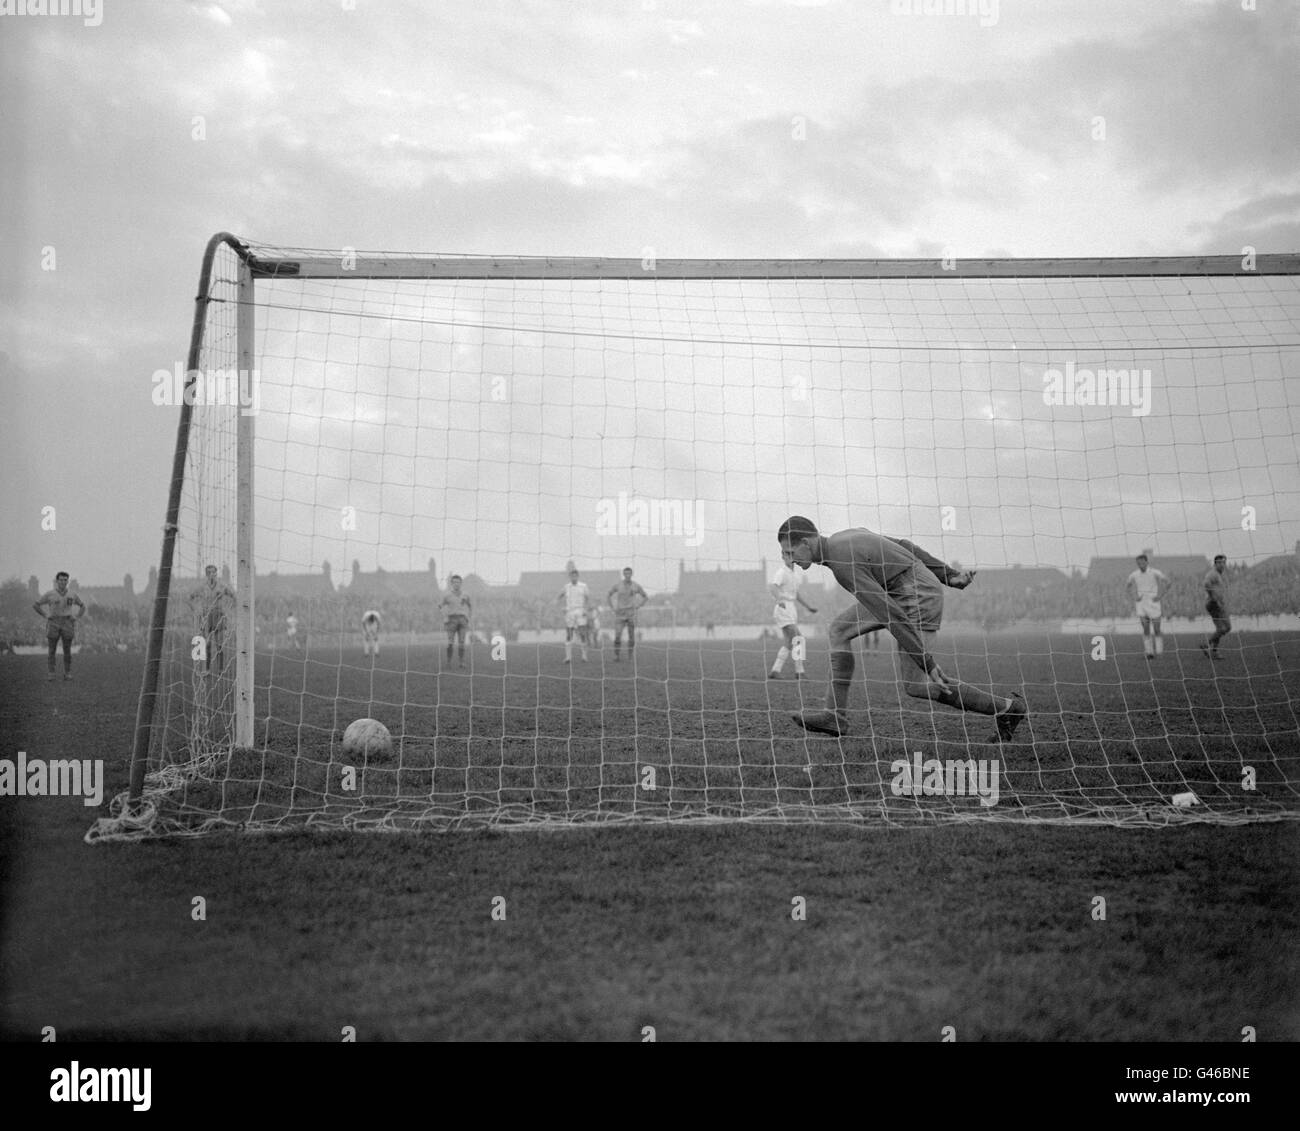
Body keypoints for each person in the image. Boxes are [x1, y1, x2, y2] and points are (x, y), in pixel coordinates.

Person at [777, 516, 1027, 740]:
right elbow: (904, 546)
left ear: (806, 544)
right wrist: (948, 575)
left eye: (790, 552)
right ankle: (834, 716)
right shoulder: (844, 537)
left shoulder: (842, 563)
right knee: (839, 630)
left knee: (916, 685)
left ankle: (1007, 709)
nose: (789, 560)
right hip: (902, 588)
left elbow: (889, 613)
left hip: (917, 593)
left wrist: (925, 661)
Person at [768, 557, 818, 679]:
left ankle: (775, 670)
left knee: (789, 642)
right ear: (783, 557)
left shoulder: (795, 575)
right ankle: (799, 672)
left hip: (792, 608)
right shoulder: (782, 572)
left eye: (792, 555)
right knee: (799, 638)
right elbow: (773, 587)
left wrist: (808, 607)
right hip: (783, 607)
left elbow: (796, 595)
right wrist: (779, 600)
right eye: (787, 555)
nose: (790, 558)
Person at [34, 571, 85, 681]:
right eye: (61, 580)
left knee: (67, 650)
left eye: (65, 580)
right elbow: (36, 605)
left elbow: (82, 606)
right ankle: (51, 673)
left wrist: (76, 617)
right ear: (57, 581)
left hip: (67, 622)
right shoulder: (50, 594)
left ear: (67, 581)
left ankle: (67, 673)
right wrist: (45, 615)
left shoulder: (72, 594)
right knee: (52, 649)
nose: (63, 582)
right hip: (54, 622)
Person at [189, 564, 236, 673]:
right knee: (207, 644)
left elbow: (233, 596)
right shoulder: (202, 587)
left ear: (216, 574)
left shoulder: (222, 586)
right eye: (209, 572)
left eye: (213, 572)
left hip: (218, 616)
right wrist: (196, 610)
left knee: (219, 644)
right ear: (206, 574)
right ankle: (208, 669)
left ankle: (220, 669)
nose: (211, 575)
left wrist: (230, 609)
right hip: (206, 617)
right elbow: (191, 597)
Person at [1125, 554, 1169, 660]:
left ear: (1146, 562)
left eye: (1142, 562)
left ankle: (1159, 651)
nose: (1140, 565)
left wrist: (1160, 596)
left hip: (1154, 603)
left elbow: (1168, 582)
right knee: (1145, 628)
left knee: (1157, 629)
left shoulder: (1155, 572)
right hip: (1141, 604)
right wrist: (1134, 596)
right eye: (1138, 563)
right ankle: (1149, 652)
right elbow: (1127, 586)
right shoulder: (1134, 574)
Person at [608, 567, 648, 661]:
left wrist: (638, 605)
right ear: (623, 574)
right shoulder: (618, 585)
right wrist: (612, 607)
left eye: (629, 574)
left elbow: (645, 596)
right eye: (625, 574)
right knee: (617, 636)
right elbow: (609, 595)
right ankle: (616, 655)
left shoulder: (635, 586)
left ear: (631, 574)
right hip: (620, 614)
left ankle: (630, 655)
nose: (627, 576)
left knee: (631, 637)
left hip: (631, 614)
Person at [1200, 554, 1231, 660]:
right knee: (1226, 627)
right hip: (1213, 604)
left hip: (1216, 603)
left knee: (1220, 629)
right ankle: (1207, 644)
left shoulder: (1218, 574)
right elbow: (1206, 583)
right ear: (1216, 563)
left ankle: (1214, 651)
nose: (1223, 565)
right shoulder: (1212, 574)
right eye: (1221, 563)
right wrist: (1214, 598)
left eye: (1224, 563)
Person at [558, 567, 590, 663]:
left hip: (580, 611)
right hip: (570, 612)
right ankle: (568, 657)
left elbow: (588, 598)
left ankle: (584, 656)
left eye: (575, 576)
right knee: (569, 634)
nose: (574, 577)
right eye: (572, 576)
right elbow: (559, 596)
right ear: (570, 577)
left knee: (582, 634)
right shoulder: (566, 587)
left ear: (578, 576)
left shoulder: (583, 586)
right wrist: (562, 607)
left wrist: (585, 609)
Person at [439, 575, 472, 668]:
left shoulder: (466, 595)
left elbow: (470, 606)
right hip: (451, 620)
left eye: (458, 582)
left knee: (462, 642)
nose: (456, 584)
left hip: (462, 619)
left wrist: (469, 617)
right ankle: (449, 662)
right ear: (451, 584)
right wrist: (444, 616)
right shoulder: (447, 595)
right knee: (450, 642)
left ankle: (461, 662)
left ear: (461, 583)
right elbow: (440, 606)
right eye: (454, 582)